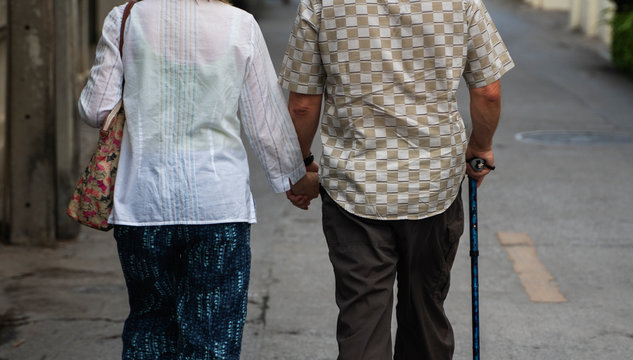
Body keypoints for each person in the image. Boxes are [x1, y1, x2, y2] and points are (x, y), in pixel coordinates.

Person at [78, 0, 318, 359]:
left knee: (149, 329)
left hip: (143, 206)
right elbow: (266, 125)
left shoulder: (126, 18)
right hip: (218, 206)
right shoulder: (240, 24)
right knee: (213, 338)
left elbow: (95, 108)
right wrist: (296, 179)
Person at [280, 0, 514, 359]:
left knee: (362, 322)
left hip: (355, 190)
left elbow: (302, 104)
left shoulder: (322, 2)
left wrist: (301, 167)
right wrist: (480, 147)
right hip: (434, 186)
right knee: (425, 316)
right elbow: (488, 90)